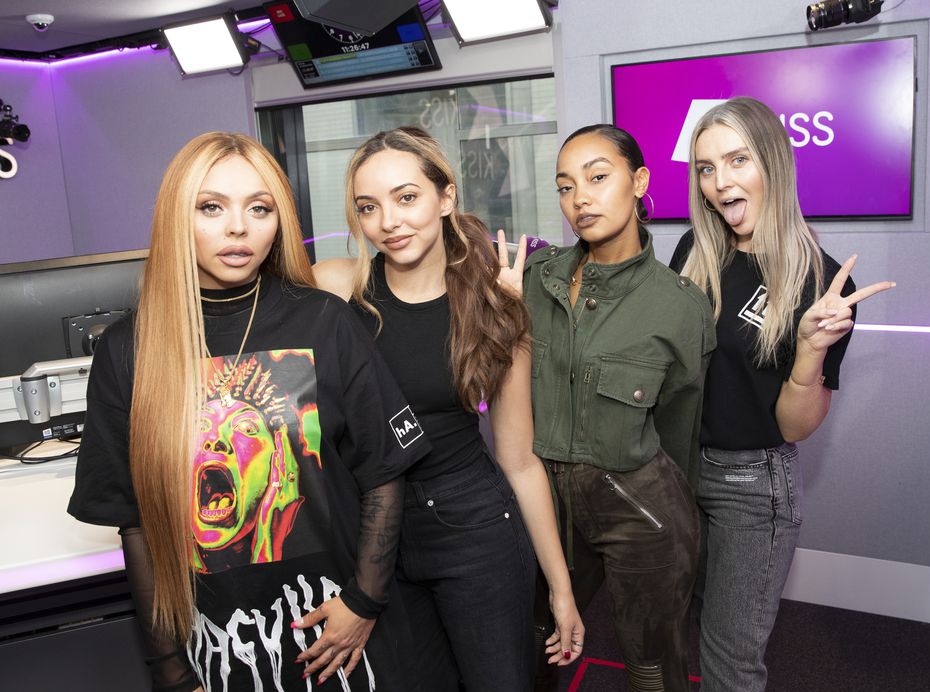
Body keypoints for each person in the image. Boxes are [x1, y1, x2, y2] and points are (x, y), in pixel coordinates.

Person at [68, 132, 432, 692]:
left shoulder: (325, 321)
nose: (238, 228)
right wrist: (169, 669)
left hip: (338, 635)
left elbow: (383, 473)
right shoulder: (127, 350)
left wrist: (363, 601)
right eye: (211, 207)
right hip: (216, 646)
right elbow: (135, 522)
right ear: (177, 217)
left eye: (259, 209)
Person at [313, 126, 584, 692]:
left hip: (472, 526)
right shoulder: (338, 290)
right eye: (369, 207)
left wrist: (560, 589)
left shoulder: (494, 306)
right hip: (374, 534)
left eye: (407, 197)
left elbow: (520, 461)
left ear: (446, 197)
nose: (389, 221)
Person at [668, 97, 896, 692]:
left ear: (773, 161)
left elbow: (795, 427)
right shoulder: (693, 253)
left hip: (752, 486)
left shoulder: (820, 282)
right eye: (706, 167)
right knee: (700, 621)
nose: (720, 182)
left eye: (737, 160)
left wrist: (810, 350)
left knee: (730, 660)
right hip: (684, 471)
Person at [519, 124, 715, 692]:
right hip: (545, 506)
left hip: (642, 511)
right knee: (530, 646)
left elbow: (680, 435)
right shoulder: (531, 280)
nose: (579, 198)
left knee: (652, 670)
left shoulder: (680, 307)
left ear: (640, 182)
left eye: (598, 178)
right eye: (565, 187)